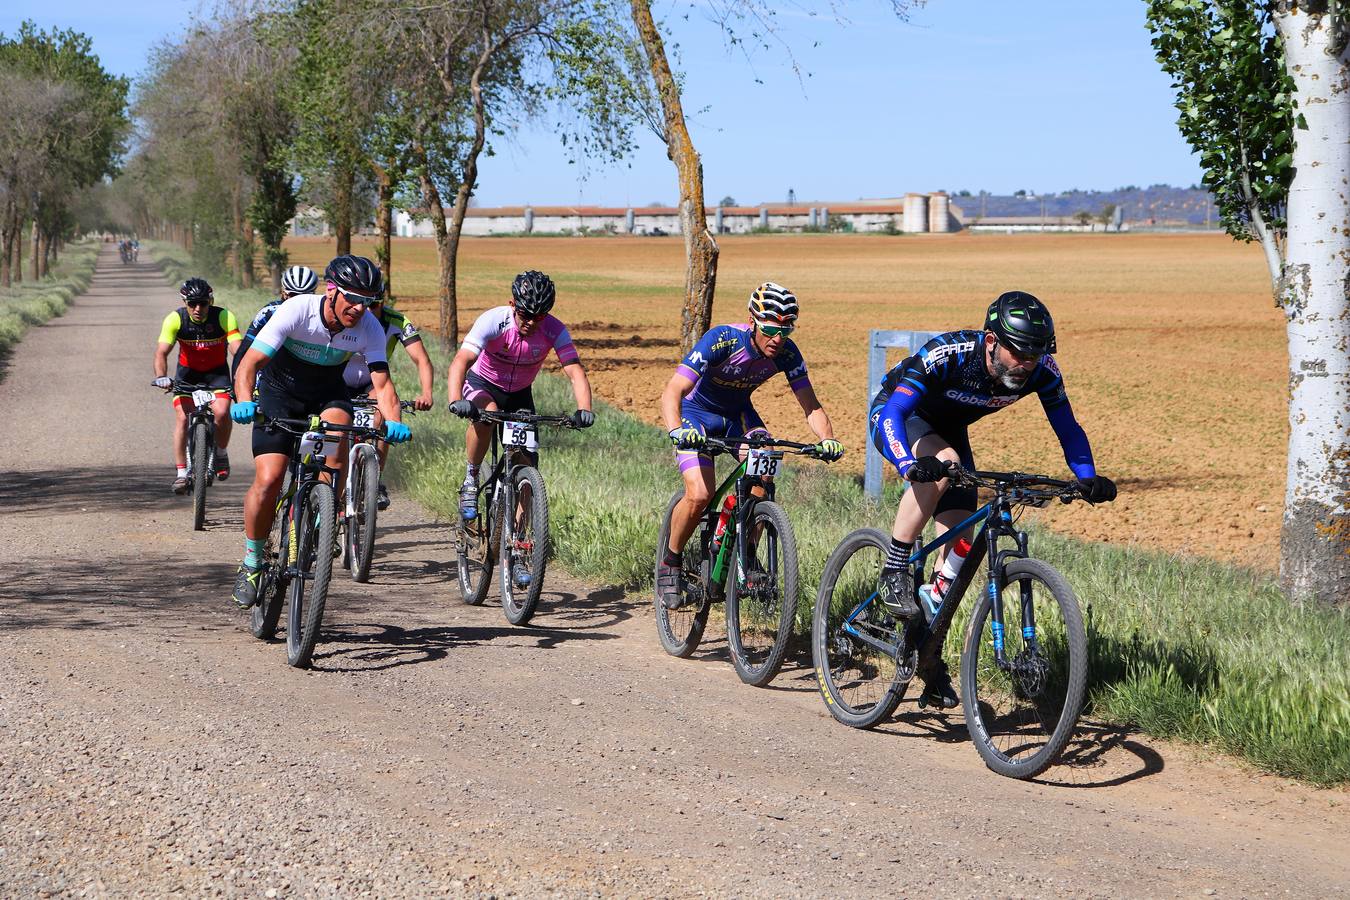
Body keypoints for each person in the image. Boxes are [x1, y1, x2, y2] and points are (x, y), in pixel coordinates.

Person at [868, 290, 1118, 709]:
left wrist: (1087, 478)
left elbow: (1067, 427)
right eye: (1019, 353)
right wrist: (909, 465)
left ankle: (925, 658)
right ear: (991, 341)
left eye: (1035, 355)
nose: (1027, 364)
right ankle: (895, 566)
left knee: (957, 557)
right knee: (944, 462)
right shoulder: (949, 354)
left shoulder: (1042, 371)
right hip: (900, 417)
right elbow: (894, 413)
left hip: (951, 431)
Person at [228, 255, 411, 610]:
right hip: (280, 394)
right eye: (352, 298)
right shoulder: (298, 310)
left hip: (328, 394)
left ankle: (322, 513)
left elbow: (383, 384)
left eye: (368, 301)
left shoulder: (369, 327)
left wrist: (393, 421)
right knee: (269, 479)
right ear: (332, 291)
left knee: (338, 440)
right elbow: (249, 363)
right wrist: (243, 399)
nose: (359, 308)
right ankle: (252, 562)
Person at [657, 282, 845, 608]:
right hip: (695, 414)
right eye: (771, 329)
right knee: (700, 493)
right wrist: (676, 430)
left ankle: (746, 552)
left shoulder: (787, 352)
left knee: (766, 462)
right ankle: (669, 563)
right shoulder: (722, 339)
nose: (777, 338)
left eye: (785, 331)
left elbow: (810, 406)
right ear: (752, 319)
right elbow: (673, 390)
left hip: (738, 415)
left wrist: (826, 438)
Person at [446, 270, 595, 584]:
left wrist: (584, 409)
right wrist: (455, 399)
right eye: (525, 314)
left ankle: (517, 550)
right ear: (511, 304)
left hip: (520, 394)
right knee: (486, 413)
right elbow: (461, 361)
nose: (531, 322)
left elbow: (575, 371)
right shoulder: (493, 321)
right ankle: (472, 476)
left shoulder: (554, 330)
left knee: (527, 461)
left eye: (539, 317)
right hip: (483, 385)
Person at [342, 294, 436, 510]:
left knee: (384, 412)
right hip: (339, 379)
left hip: (372, 381)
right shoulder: (348, 316)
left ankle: (376, 479)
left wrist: (427, 393)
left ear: (383, 303)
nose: (367, 309)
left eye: (373, 304)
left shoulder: (397, 321)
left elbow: (422, 359)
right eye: (364, 303)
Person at [152, 278, 241, 492]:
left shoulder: (224, 317)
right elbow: (161, 353)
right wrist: (162, 376)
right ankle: (182, 473)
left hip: (217, 376)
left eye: (203, 303)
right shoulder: (175, 319)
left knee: (222, 412)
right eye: (192, 303)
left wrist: (243, 375)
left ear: (211, 301)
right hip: (187, 377)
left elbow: (237, 350)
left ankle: (220, 453)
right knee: (182, 418)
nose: (198, 308)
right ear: (185, 303)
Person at [230, 265, 319, 382]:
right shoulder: (268, 313)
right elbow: (245, 349)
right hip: (269, 375)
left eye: (305, 296)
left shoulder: (321, 315)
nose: (299, 301)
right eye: (294, 295)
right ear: (284, 293)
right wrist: (236, 385)